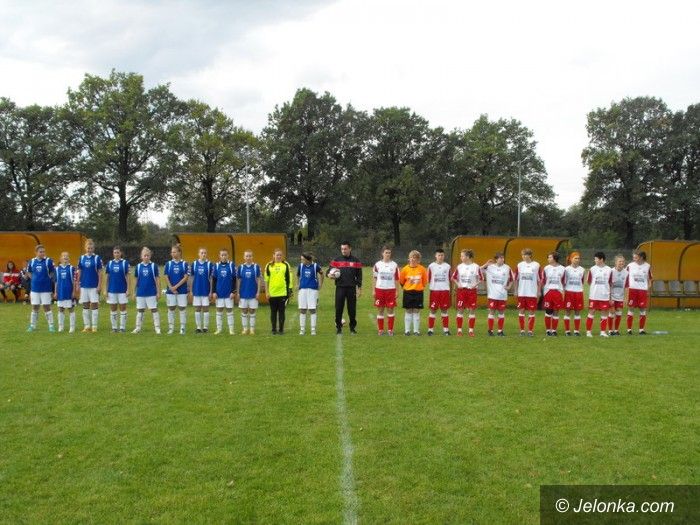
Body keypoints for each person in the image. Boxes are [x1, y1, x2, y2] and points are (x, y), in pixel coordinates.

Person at [328, 241, 362, 334]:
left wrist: (359, 288)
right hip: (340, 288)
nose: (343, 250)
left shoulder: (356, 261)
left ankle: (352, 328)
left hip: (351, 288)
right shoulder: (336, 260)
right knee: (339, 308)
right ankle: (338, 328)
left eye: (345, 249)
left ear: (350, 249)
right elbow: (329, 271)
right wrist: (330, 275)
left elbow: (359, 276)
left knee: (352, 309)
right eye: (342, 249)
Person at [451, 249, 482, 337]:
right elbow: (453, 278)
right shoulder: (459, 266)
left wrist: (474, 285)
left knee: (472, 310)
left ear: (468, 257)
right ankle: (459, 330)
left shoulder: (476, 267)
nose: (461, 257)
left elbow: (481, 278)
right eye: (461, 256)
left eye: (462, 256)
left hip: (472, 291)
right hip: (462, 291)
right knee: (460, 309)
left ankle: (471, 331)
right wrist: (458, 284)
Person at [481, 252, 513, 336]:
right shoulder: (490, 267)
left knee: (501, 312)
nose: (502, 259)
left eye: (503, 258)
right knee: (492, 312)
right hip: (492, 295)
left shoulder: (507, 268)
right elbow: (478, 270)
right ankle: (490, 331)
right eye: (500, 258)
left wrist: (509, 286)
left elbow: (512, 279)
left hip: (502, 295)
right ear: (496, 259)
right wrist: (486, 264)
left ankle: (500, 331)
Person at [26, 244, 55, 332]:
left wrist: (48, 278)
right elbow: (28, 272)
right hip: (35, 289)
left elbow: (52, 272)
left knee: (47, 307)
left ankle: (51, 326)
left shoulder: (48, 261)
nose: (42, 253)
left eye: (43, 252)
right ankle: (32, 326)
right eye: (40, 252)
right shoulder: (32, 261)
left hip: (46, 289)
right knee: (35, 307)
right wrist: (34, 279)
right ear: (36, 252)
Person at [132, 246, 161, 334]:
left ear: (150, 256)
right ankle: (138, 328)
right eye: (144, 255)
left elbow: (157, 279)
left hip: (151, 292)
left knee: (154, 309)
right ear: (141, 256)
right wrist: (134, 292)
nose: (146, 257)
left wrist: (158, 292)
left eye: (148, 255)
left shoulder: (153, 266)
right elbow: (136, 280)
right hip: (141, 292)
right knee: (140, 310)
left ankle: (157, 328)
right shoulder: (138, 266)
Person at [399, 250, 428, 336]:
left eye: (414, 257)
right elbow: (401, 281)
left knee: (416, 310)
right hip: (408, 292)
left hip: (418, 292)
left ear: (418, 260)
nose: (412, 259)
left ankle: (416, 331)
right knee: (408, 310)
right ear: (408, 259)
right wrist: (408, 287)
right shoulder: (405, 269)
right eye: (411, 257)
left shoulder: (422, 269)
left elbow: (424, 282)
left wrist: (418, 287)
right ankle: (407, 331)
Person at [77, 238, 103, 333]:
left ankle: (94, 326)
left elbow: (100, 273)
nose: (90, 250)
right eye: (88, 248)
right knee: (85, 305)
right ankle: (87, 326)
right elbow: (79, 271)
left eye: (91, 248)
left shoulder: (97, 258)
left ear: (93, 248)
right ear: (85, 248)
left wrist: (99, 285)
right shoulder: (81, 258)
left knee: (94, 304)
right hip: (84, 285)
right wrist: (77, 283)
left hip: (94, 286)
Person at [264, 249, 293, 335]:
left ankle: (281, 329)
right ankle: (273, 329)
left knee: (281, 312)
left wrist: (289, 290)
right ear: (273, 255)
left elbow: (289, 279)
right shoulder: (269, 265)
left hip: (283, 293)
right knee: (273, 312)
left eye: (280, 255)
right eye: (277, 255)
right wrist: (267, 292)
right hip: (272, 293)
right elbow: (266, 280)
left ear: (282, 256)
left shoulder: (286, 265)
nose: (279, 256)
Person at [373, 246, 400, 336]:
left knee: (390, 309)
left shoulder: (394, 265)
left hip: (391, 290)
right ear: (382, 253)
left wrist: (397, 291)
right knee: (380, 309)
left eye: (389, 253)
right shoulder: (377, 265)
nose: (388, 254)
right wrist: (373, 290)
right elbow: (374, 278)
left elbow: (396, 279)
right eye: (386, 253)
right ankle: (381, 330)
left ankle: (390, 330)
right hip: (380, 290)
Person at [625, 250, 653, 335]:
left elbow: (650, 279)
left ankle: (641, 330)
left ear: (641, 257)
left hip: (642, 291)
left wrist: (648, 288)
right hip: (632, 290)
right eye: (633, 257)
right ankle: (629, 329)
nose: (634, 259)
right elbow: (625, 277)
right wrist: (626, 289)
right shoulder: (630, 266)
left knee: (642, 309)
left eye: (636, 257)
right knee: (631, 308)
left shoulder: (647, 266)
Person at [514, 248, 541, 337]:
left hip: (532, 293)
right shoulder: (519, 265)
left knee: (531, 312)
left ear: (530, 255)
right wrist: (516, 290)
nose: (523, 256)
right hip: (522, 292)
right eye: (522, 255)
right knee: (521, 311)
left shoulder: (536, 265)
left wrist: (539, 291)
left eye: (525, 254)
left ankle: (530, 331)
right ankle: (522, 330)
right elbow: (516, 279)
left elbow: (539, 280)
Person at [164, 244, 190, 335]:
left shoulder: (185, 264)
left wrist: (176, 287)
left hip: (181, 291)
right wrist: (171, 288)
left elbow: (186, 277)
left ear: (179, 252)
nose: (172, 254)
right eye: (172, 252)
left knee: (182, 308)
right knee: (171, 308)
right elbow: (166, 276)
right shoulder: (168, 264)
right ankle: (171, 328)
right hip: (170, 291)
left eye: (174, 252)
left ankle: (182, 328)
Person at [586, 251, 612, 337]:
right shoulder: (592, 269)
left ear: (601, 259)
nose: (595, 260)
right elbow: (589, 281)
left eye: (596, 259)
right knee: (592, 311)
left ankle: (603, 332)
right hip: (594, 295)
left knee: (604, 313)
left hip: (604, 295)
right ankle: (588, 332)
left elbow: (610, 283)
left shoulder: (609, 270)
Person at [297, 252, 323, 335]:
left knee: (312, 309)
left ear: (307, 260)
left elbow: (322, 274)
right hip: (302, 290)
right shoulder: (301, 266)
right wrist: (298, 284)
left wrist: (320, 284)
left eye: (303, 259)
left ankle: (313, 329)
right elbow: (298, 275)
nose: (301, 261)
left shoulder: (315, 266)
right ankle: (302, 329)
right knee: (302, 309)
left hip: (313, 291)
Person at [104, 246, 130, 333]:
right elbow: (107, 277)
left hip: (122, 290)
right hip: (112, 290)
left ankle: (122, 328)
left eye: (118, 252)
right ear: (113, 253)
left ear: (120, 253)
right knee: (113, 309)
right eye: (115, 252)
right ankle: (114, 328)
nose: (116, 254)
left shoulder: (125, 263)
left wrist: (128, 289)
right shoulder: (110, 263)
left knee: (123, 308)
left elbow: (128, 277)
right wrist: (105, 289)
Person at [237, 250, 262, 335]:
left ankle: (252, 329)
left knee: (252, 311)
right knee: (244, 311)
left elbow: (259, 280)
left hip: (253, 293)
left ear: (252, 257)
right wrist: (238, 292)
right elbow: (238, 280)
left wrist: (258, 292)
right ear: (244, 257)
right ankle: (245, 329)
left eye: (250, 256)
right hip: (243, 293)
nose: (248, 258)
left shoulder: (256, 267)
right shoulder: (241, 267)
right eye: (247, 256)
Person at [427, 248, 452, 336]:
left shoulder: (448, 266)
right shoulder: (431, 266)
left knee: (444, 310)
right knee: (433, 310)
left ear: (444, 256)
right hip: (435, 291)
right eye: (439, 255)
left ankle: (446, 330)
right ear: (435, 256)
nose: (440, 257)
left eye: (442, 255)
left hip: (444, 291)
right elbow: (428, 279)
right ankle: (430, 330)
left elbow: (450, 278)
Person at [541, 251, 566, 336]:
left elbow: (564, 281)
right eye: (548, 257)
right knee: (548, 311)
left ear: (555, 258)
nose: (548, 259)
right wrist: (542, 291)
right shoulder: (546, 268)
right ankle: (548, 330)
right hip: (548, 291)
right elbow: (543, 280)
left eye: (550, 257)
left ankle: (554, 330)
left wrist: (562, 291)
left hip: (558, 292)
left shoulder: (563, 269)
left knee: (556, 311)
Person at [213, 249, 237, 335]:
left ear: (228, 256)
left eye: (225, 255)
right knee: (219, 310)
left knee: (229, 310)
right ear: (219, 256)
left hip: (229, 293)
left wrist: (233, 292)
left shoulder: (231, 265)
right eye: (222, 255)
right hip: (219, 293)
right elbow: (214, 280)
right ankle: (219, 329)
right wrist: (214, 292)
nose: (224, 256)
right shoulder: (216, 265)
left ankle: (231, 330)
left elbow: (234, 279)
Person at [190, 248, 214, 333]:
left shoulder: (209, 264)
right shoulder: (194, 264)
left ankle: (205, 327)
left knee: (206, 309)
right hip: (196, 290)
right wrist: (191, 290)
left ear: (206, 254)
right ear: (198, 254)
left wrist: (210, 291)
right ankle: (198, 327)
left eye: (205, 253)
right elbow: (192, 278)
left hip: (206, 290)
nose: (203, 254)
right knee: (197, 309)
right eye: (202, 253)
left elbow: (211, 279)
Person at [563, 251, 585, 336]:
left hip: (578, 292)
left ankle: (576, 331)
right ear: (571, 259)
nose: (577, 260)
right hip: (569, 292)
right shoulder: (566, 269)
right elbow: (564, 281)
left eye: (578, 258)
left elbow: (582, 281)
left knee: (577, 311)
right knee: (567, 311)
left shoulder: (582, 270)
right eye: (575, 258)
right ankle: (567, 331)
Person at [54, 252, 77, 333]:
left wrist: (73, 291)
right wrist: (55, 292)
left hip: (69, 292)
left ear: (69, 258)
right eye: (64, 256)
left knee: (71, 309)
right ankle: (61, 326)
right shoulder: (57, 269)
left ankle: (72, 327)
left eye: (67, 256)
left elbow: (74, 281)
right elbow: (56, 282)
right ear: (60, 258)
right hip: (60, 291)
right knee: (61, 309)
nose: (65, 257)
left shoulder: (71, 268)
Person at [608, 255, 628, 336]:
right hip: (612, 296)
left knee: (619, 312)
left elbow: (626, 286)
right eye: (619, 261)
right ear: (616, 262)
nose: (621, 263)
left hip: (620, 296)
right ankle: (610, 331)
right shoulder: (611, 271)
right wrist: (609, 297)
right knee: (612, 312)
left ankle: (616, 330)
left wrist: (625, 298)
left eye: (623, 261)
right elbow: (608, 285)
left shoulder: (626, 273)